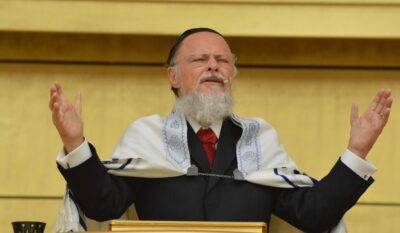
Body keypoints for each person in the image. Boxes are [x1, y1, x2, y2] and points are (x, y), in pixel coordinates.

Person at [49, 28, 393, 233]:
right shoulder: (147, 135)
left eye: (223, 60)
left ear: (232, 74)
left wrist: (357, 152)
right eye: (199, 60)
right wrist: (74, 142)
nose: (213, 66)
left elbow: (314, 216)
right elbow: (103, 205)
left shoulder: (262, 138)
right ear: (173, 76)